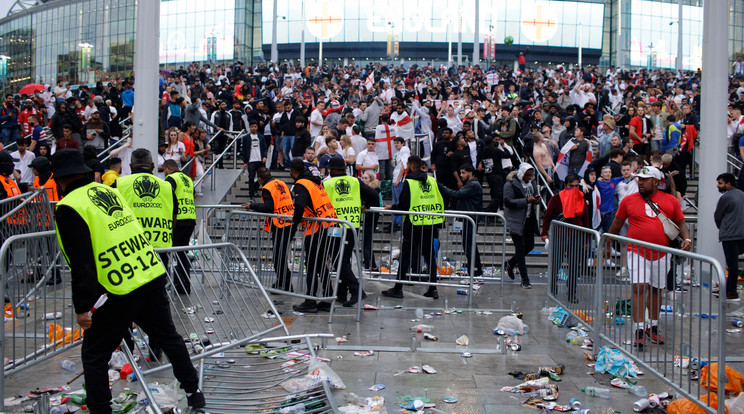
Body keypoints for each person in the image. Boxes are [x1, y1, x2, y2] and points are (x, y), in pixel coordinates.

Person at [51, 149, 205, 413]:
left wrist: (82, 307)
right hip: (148, 273)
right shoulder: (107, 192)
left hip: (117, 287)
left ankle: (101, 410)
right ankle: (194, 392)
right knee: (169, 338)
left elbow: (82, 262)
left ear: (59, 180)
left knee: (95, 355)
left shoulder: (68, 206)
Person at [606, 166, 690, 349]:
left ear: (656, 182)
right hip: (636, 251)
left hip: (661, 252)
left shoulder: (670, 200)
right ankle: (639, 329)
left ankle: (652, 326)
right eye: (639, 179)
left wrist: (687, 238)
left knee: (656, 289)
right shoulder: (628, 201)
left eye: (644, 179)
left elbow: (680, 222)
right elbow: (617, 224)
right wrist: (606, 243)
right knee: (639, 286)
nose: (640, 182)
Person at [382, 155, 443, 299]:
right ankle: (433, 288)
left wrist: (392, 207)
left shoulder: (409, 182)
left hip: (414, 224)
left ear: (411, 165)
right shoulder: (432, 180)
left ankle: (398, 288)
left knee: (405, 257)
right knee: (430, 257)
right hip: (430, 223)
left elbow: (404, 205)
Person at [322, 156, 379, 307]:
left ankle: (357, 290)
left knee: (337, 259)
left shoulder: (327, 183)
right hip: (352, 226)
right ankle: (342, 293)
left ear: (333, 170)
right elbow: (374, 195)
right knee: (343, 260)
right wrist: (365, 206)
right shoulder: (355, 181)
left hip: (335, 227)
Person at [113, 149, 177, 268]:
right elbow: (174, 218)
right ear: (153, 165)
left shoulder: (119, 184)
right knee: (161, 284)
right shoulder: (166, 186)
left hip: (129, 248)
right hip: (160, 247)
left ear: (131, 166)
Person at [288, 158, 338, 313]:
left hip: (316, 228)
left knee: (311, 264)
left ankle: (310, 300)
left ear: (292, 171)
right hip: (327, 224)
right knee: (321, 263)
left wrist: (294, 224)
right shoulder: (315, 181)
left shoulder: (301, 183)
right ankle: (327, 298)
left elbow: (300, 206)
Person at [242, 167, 296, 292]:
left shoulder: (267, 188)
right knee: (281, 255)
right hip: (289, 221)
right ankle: (285, 284)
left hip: (281, 224)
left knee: (279, 256)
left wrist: (252, 206)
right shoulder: (280, 182)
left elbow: (268, 207)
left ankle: (284, 285)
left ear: (260, 179)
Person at [542, 173, 590, 302]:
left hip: (576, 236)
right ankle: (553, 286)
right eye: (570, 186)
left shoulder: (581, 199)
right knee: (556, 263)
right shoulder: (557, 198)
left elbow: (585, 220)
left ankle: (572, 292)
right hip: (560, 235)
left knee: (574, 265)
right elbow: (547, 216)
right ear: (565, 186)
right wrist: (544, 233)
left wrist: (586, 240)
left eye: (576, 186)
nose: (574, 189)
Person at [438, 163, 483, 276]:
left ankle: (475, 272)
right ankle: (474, 271)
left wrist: (441, 187)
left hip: (470, 219)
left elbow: (457, 194)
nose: (461, 175)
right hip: (467, 219)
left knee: (470, 247)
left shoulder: (473, 185)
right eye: (460, 173)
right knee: (468, 246)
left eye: (463, 173)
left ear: (470, 173)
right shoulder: (470, 184)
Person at [162, 160, 197, 295]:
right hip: (190, 218)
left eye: (164, 170)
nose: (164, 173)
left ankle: (171, 285)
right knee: (182, 253)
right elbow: (193, 196)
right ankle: (183, 286)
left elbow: (167, 195)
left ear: (168, 168)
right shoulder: (187, 178)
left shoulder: (171, 178)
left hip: (178, 220)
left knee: (171, 252)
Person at [503, 163, 540, 289]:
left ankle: (510, 263)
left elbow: (533, 195)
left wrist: (536, 200)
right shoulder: (510, 184)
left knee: (530, 245)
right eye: (527, 175)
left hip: (529, 219)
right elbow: (508, 202)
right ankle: (525, 279)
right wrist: (525, 201)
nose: (529, 177)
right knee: (520, 248)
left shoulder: (532, 183)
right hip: (516, 220)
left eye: (530, 175)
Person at [714, 172, 744, 302]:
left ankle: (731, 292)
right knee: (734, 265)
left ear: (728, 183)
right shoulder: (742, 195)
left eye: (720, 183)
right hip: (741, 234)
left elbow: (718, 216)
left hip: (730, 235)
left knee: (732, 265)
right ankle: (730, 290)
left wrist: (722, 227)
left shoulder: (725, 198)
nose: (718, 185)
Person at [241, 121, 268, 198]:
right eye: (252, 126)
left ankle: (256, 189)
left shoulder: (261, 137)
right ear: (249, 127)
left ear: (257, 127)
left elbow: (265, 147)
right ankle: (251, 194)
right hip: (251, 161)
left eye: (255, 126)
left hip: (260, 160)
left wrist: (264, 156)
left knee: (261, 177)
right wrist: (245, 161)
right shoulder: (246, 138)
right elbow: (244, 150)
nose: (253, 128)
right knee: (251, 177)